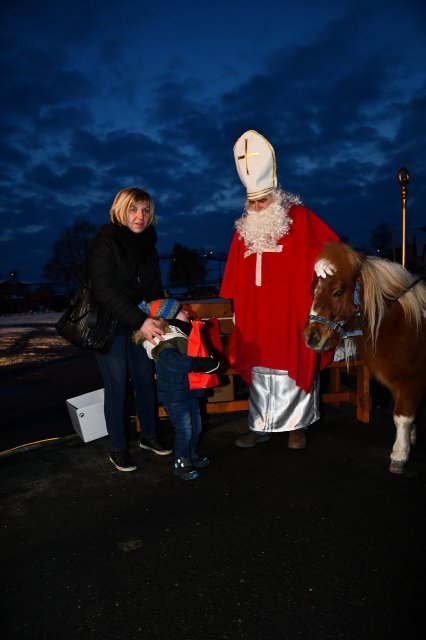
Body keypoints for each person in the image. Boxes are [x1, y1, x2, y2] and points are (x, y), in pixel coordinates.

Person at [219, 130, 340, 449]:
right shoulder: (243, 231)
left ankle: (296, 427)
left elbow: (333, 249)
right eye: (253, 202)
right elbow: (233, 278)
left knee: (292, 364)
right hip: (255, 317)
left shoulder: (299, 218)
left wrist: (322, 260)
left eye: (263, 200)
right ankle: (259, 425)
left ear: (277, 196)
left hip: (290, 312)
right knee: (259, 370)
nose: (257, 207)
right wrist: (236, 315)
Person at [89, 187, 172, 472]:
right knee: (117, 388)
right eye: (134, 209)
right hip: (110, 326)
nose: (140, 216)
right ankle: (118, 447)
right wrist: (140, 320)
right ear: (120, 210)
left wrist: (166, 314)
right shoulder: (106, 239)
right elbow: (103, 289)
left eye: (146, 210)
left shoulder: (149, 244)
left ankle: (149, 436)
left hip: (139, 325)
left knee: (145, 381)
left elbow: (154, 290)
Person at [132, 299, 220, 480]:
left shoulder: (179, 335)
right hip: (174, 394)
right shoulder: (162, 340)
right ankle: (181, 460)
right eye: (181, 311)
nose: (186, 313)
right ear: (168, 318)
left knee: (196, 427)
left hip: (189, 391)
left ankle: (191, 454)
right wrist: (199, 363)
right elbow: (171, 361)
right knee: (184, 429)